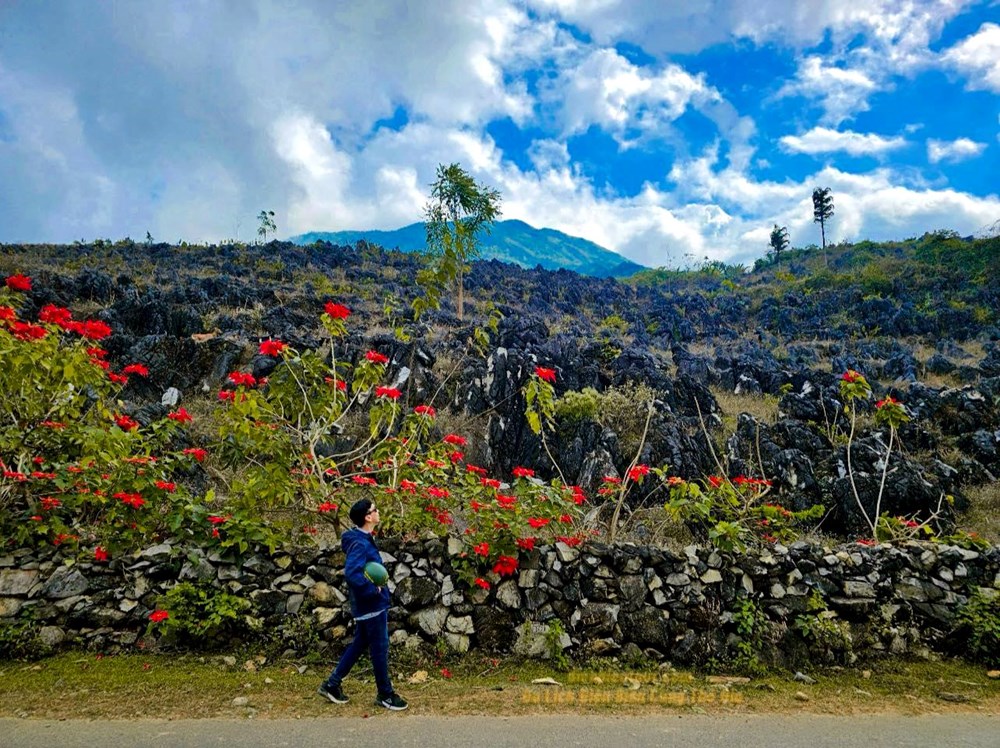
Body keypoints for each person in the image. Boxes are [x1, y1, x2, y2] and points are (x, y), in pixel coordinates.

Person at [318, 498, 408, 711]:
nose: (378, 512)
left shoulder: (363, 538)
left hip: (369, 605)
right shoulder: (359, 542)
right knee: (379, 648)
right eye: (375, 510)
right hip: (371, 606)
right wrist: (372, 590)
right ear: (368, 517)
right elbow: (352, 573)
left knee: (360, 644)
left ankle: (331, 684)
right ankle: (385, 694)